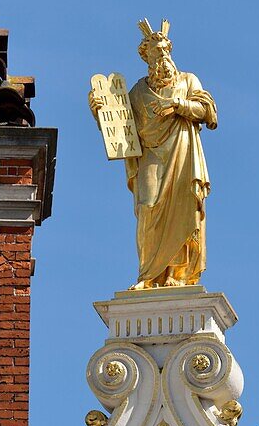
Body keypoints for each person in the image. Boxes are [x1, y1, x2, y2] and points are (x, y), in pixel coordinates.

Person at [90, 19, 218, 289]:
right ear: (146, 57)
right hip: (151, 155)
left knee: (183, 209)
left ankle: (174, 274)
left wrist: (179, 104)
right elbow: (125, 133)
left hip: (181, 151)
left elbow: (207, 111)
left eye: (164, 52)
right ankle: (148, 274)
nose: (162, 58)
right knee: (147, 207)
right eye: (155, 53)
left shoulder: (187, 81)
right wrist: (99, 112)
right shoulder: (138, 92)